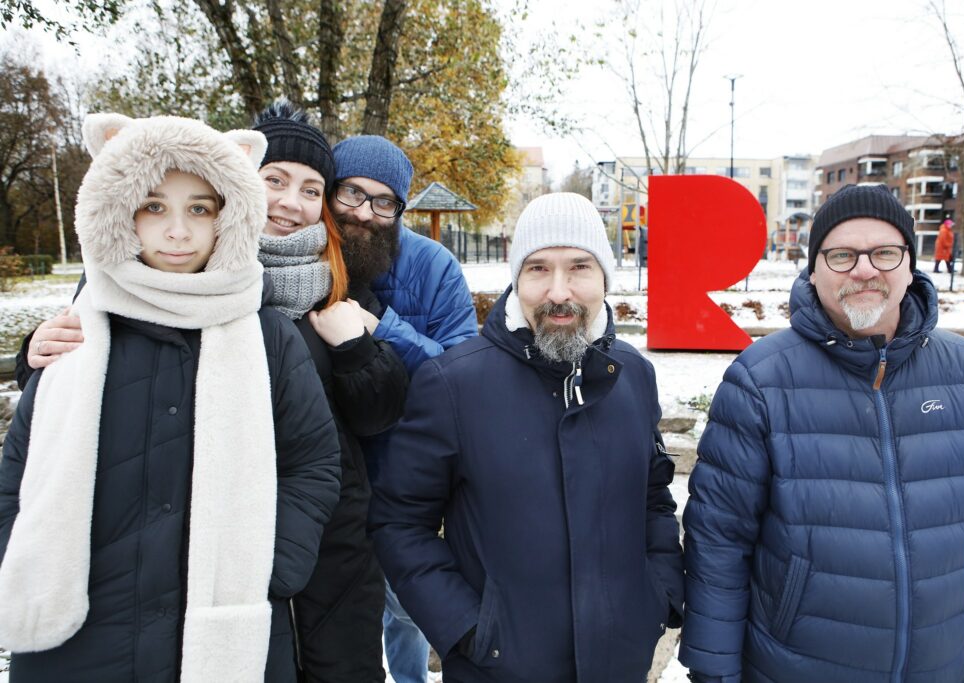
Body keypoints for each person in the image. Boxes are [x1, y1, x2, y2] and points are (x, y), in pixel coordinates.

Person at [0, 114, 341, 681]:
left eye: (200, 208)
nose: (178, 231)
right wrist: (27, 558)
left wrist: (269, 566)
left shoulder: (265, 335)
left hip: (226, 633)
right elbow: (19, 470)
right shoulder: (79, 329)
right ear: (119, 210)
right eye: (154, 206)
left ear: (227, 217)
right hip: (79, 639)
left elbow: (312, 462)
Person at [680, 184, 964, 683]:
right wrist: (714, 674)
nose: (865, 269)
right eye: (842, 255)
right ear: (814, 269)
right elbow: (719, 544)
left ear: (910, 263)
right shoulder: (761, 380)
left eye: (884, 252)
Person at [368, 192, 685, 682]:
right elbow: (399, 523)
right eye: (538, 269)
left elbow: (654, 499)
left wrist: (658, 596)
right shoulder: (453, 383)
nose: (559, 291)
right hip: (495, 668)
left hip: (619, 662)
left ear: (605, 276)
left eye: (579, 267)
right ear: (516, 279)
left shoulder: (634, 375)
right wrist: (467, 628)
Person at [251, 101, 409, 683]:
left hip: (337, 552)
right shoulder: (189, 276)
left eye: (310, 188)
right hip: (229, 546)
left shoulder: (341, 286)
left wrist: (356, 350)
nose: (291, 203)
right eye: (274, 180)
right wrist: (40, 346)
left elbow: (380, 413)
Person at [329, 134, 478, 683]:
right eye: (351, 193)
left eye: (383, 201)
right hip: (325, 471)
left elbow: (465, 374)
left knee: (406, 604)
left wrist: (381, 327)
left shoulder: (434, 266)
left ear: (400, 209)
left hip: (402, 470)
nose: (364, 213)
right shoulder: (294, 253)